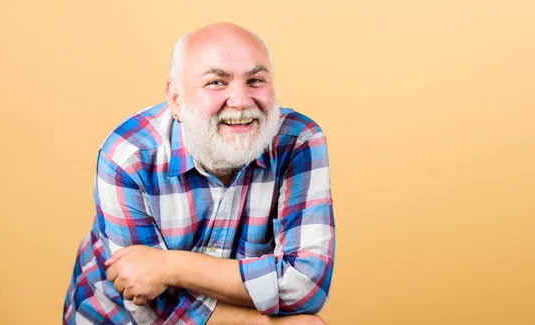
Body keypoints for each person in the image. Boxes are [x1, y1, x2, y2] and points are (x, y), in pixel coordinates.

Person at [63, 23, 335, 325]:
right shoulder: (127, 156)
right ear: (176, 99)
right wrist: (266, 324)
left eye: (255, 80)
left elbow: (306, 286)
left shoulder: (298, 142)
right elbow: (148, 305)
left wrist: (171, 267)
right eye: (217, 82)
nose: (242, 100)